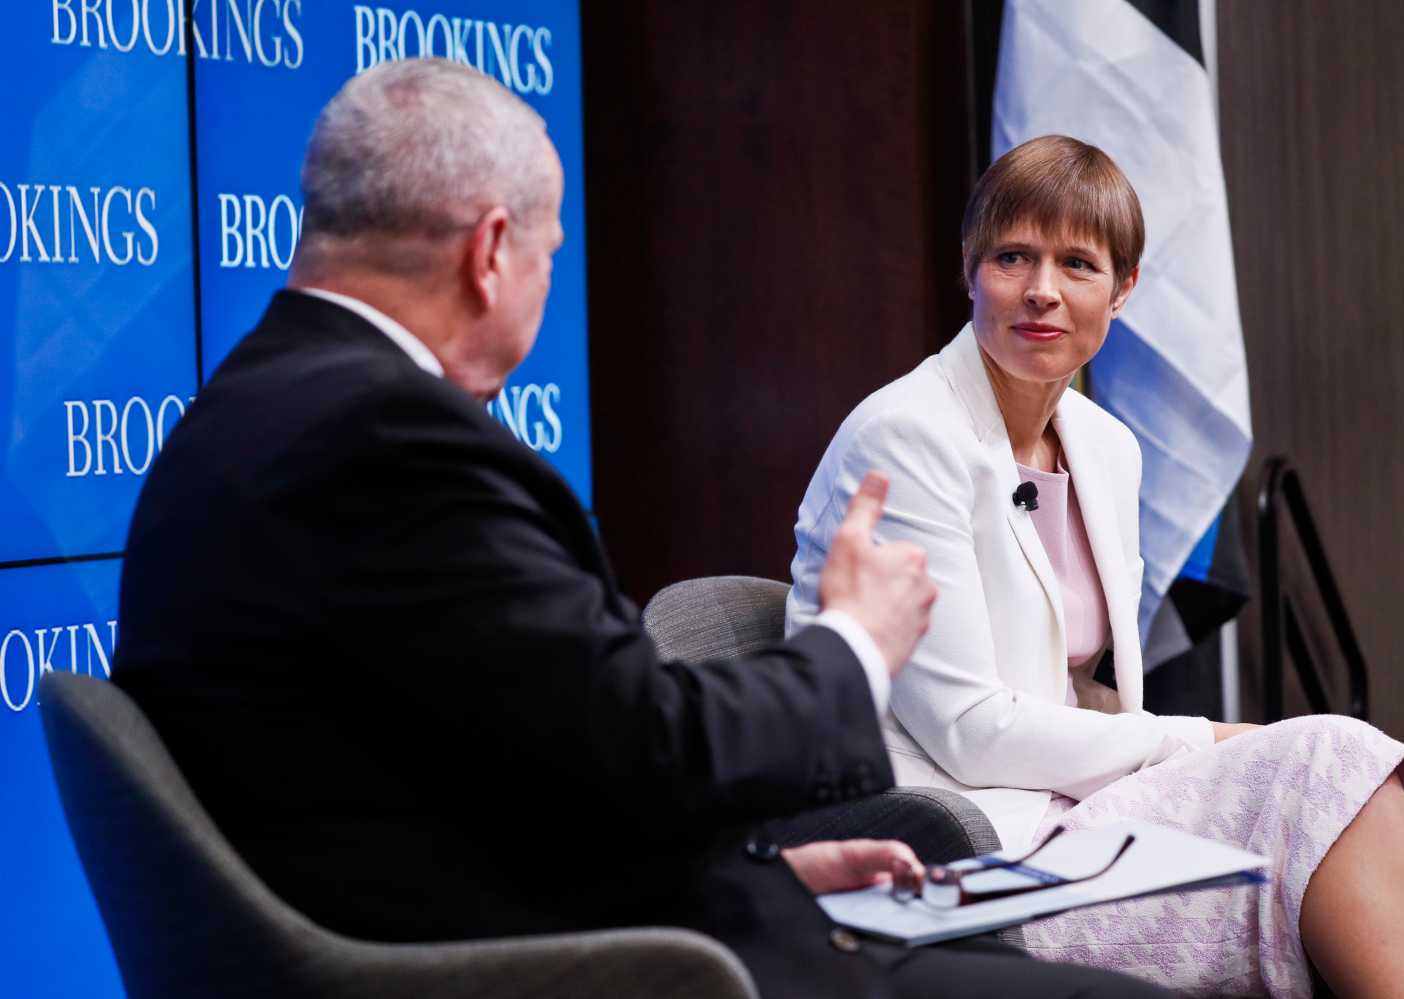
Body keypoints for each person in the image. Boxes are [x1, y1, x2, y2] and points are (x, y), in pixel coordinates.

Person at [110, 62, 1172, 999]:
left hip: (516, 918)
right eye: (549, 253)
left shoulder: (247, 410)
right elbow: (652, 744)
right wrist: (855, 638)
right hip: (544, 965)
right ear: (492, 252)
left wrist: (770, 873)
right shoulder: (397, 445)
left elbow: (514, 759)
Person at [787, 135, 1404, 998]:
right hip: (948, 850)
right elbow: (969, 731)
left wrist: (1189, 754)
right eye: (1012, 257)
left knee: (1335, 783)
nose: (1042, 289)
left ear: (1124, 289)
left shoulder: (1107, 446)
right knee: (1326, 762)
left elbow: (1094, 694)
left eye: (1077, 263)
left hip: (1079, 814)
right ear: (969, 269)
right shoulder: (905, 436)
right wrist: (1203, 740)